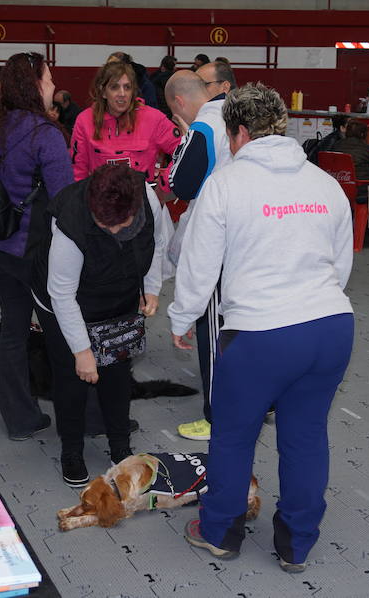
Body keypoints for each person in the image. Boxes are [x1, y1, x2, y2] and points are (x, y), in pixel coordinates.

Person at [167, 82, 354, 573]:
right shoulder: (324, 183)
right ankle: (297, 544)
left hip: (261, 335)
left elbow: (199, 267)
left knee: (232, 436)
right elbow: (340, 266)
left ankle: (220, 532)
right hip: (330, 328)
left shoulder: (225, 185)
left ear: (239, 133)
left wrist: (181, 317)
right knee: (306, 436)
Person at [37, 163, 166, 486]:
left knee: (118, 371)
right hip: (67, 300)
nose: (113, 232)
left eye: (120, 225)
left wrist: (151, 287)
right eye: (104, 225)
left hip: (118, 293)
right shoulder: (70, 221)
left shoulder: (147, 198)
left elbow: (157, 242)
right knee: (72, 377)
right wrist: (82, 352)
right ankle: (71, 450)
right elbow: (62, 294)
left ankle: (119, 445)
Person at [0, 52, 74, 441]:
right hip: (35, 250)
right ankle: (84, 418)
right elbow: (64, 198)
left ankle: (19, 418)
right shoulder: (45, 134)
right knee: (64, 334)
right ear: (35, 85)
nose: (53, 86)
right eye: (48, 79)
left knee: (14, 330)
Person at [164, 69, 234, 442]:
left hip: (218, 241)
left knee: (213, 330)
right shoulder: (237, 118)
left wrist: (184, 138)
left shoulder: (203, 126)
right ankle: (262, 403)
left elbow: (182, 185)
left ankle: (216, 417)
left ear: (179, 102)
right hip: (251, 238)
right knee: (245, 325)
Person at [69, 61, 180, 183]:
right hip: (98, 194)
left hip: (142, 193)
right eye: (114, 87)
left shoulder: (154, 119)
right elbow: (77, 170)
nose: (122, 94)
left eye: (127, 87)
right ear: (103, 91)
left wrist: (164, 184)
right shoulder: (85, 121)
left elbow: (185, 152)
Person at [331, 120, 369, 204]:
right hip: (361, 189)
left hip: (338, 187)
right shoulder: (367, 149)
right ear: (363, 134)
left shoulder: (336, 146)